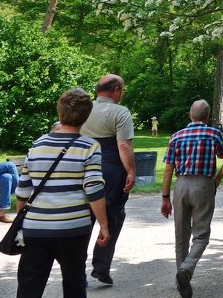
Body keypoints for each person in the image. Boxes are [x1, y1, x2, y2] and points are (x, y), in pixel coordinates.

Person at [15, 88, 110, 298]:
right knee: (74, 282)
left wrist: (21, 220)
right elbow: (94, 188)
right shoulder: (89, 146)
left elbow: (23, 189)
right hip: (73, 227)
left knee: (29, 286)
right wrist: (103, 224)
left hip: (35, 227)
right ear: (86, 117)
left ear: (60, 113)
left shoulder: (38, 144)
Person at [160, 99, 223, 298]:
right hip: (203, 185)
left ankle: (181, 280)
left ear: (190, 115)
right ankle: (186, 270)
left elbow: (168, 169)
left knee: (181, 235)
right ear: (207, 117)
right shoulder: (214, 134)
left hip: (181, 185)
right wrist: (217, 180)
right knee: (200, 235)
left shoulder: (176, 136)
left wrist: (165, 197)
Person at [79, 73, 136, 287]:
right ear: (116, 90)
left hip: (83, 165)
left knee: (84, 218)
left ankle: (77, 271)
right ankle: (101, 268)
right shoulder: (120, 112)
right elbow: (123, 145)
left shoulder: (84, 110)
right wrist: (130, 171)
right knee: (112, 215)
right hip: (111, 166)